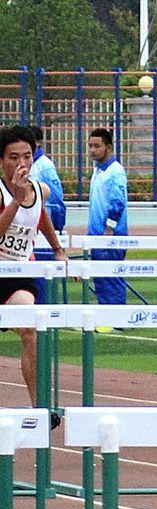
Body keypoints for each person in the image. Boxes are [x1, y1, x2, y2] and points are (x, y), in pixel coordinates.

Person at [0, 125, 69, 414]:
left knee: (31, 330)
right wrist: (15, 198)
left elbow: (40, 216)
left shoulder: (41, 190)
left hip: (17, 278)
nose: (21, 164)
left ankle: (38, 407)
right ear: (2, 161)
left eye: (26, 156)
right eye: (14, 157)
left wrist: (58, 249)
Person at [87, 127, 129, 306]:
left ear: (108, 147)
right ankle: (107, 316)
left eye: (97, 146)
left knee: (111, 276)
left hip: (110, 235)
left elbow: (118, 202)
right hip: (97, 234)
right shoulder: (98, 170)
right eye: (90, 146)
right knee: (101, 278)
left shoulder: (116, 171)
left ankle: (116, 318)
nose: (92, 150)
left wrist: (109, 229)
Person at [27, 125, 66, 304]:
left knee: (42, 281)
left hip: (43, 231)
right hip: (29, 233)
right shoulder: (28, 166)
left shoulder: (45, 166)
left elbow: (56, 201)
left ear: (37, 143)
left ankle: (45, 321)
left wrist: (57, 228)